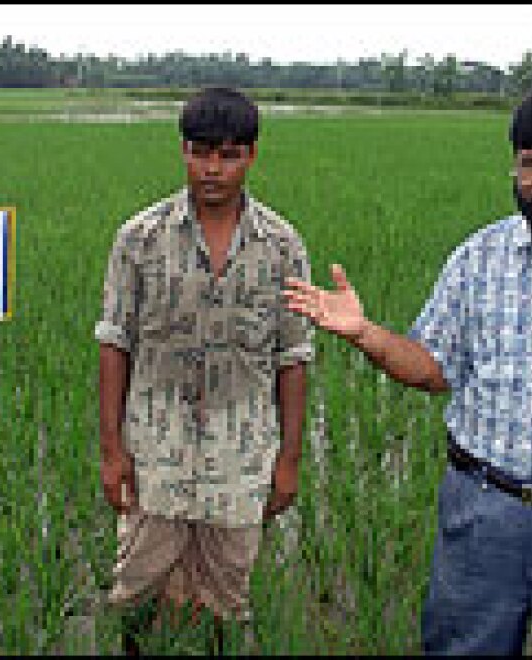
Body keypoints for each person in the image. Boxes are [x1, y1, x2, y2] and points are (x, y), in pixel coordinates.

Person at [283, 83, 532, 655]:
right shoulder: (480, 258)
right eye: (531, 165)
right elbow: (432, 368)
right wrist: (366, 333)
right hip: (481, 517)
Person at [95, 86, 313, 654]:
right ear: (183, 151)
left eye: (230, 154)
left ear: (252, 156)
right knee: (138, 588)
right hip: (154, 452)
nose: (213, 169)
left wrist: (287, 460)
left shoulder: (283, 245)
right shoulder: (138, 239)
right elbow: (115, 343)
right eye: (201, 152)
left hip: (241, 458)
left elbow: (293, 356)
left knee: (226, 593)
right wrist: (112, 450)